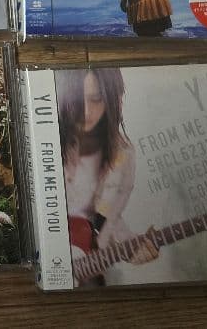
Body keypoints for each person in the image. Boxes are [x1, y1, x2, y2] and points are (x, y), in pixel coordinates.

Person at [57, 68, 157, 286]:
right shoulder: (49, 135)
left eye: (96, 100)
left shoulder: (123, 154)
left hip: (86, 272)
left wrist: (131, 246)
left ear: (112, 99)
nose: (86, 111)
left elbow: (108, 217)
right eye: (77, 100)